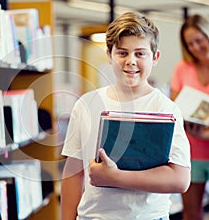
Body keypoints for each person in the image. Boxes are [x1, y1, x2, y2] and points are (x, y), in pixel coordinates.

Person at [61, 11, 191, 220]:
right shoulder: (86, 104)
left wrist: (115, 177)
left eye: (140, 54)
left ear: (155, 57)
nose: (130, 61)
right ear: (109, 55)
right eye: (122, 53)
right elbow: (73, 173)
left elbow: (180, 179)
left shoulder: (166, 109)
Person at [170, 14, 209, 220]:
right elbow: (175, 108)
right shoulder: (182, 68)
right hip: (190, 153)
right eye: (189, 43)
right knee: (192, 214)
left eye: (199, 40)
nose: (195, 47)